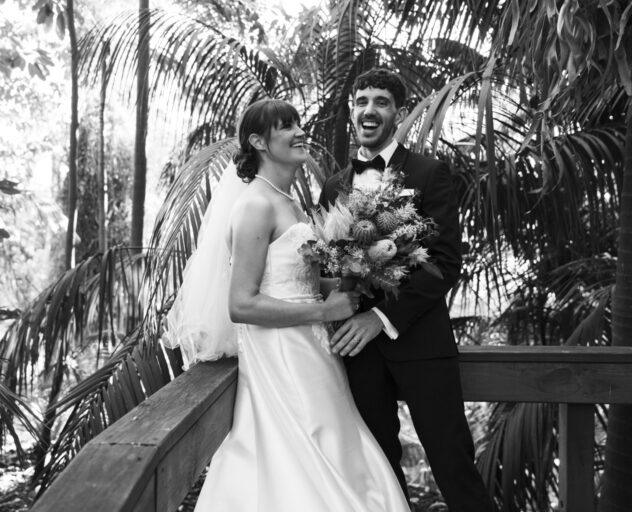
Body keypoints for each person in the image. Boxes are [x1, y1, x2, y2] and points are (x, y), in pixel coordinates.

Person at [166, 98, 410, 511]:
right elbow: (241, 305)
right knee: (306, 459)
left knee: (337, 450)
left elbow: (294, 279)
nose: (300, 132)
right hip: (282, 355)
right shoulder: (255, 205)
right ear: (258, 142)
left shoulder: (290, 201)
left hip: (315, 352)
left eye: (298, 123)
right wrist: (324, 311)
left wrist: (357, 272)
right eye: (286, 126)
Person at [318, 68, 494, 511]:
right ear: (351, 111)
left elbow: (444, 262)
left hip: (421, 344)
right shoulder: (334, 186)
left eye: (380, 102)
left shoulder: (429, 173)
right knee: (377, 471)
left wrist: (380, 318)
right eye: (361, 101)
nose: (369, 110)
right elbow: (324, 265)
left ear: (398, 113)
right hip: (355, 353)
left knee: (453, 464)